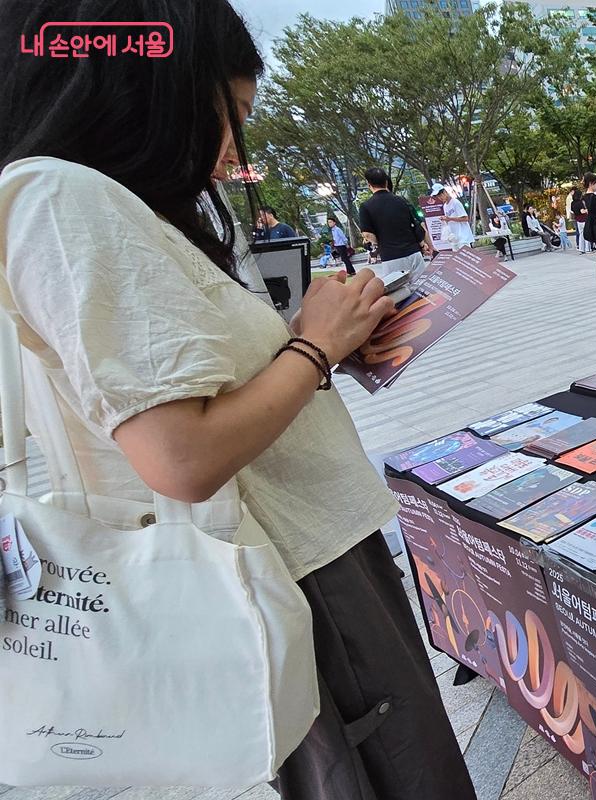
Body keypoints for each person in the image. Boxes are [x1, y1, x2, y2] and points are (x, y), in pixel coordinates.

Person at [0, 3, 476, 799]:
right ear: (161, 87)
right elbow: (180, 456)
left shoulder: (101, 200)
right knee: (399, 772)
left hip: (304, 556)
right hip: (293, 573)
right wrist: (312, 345)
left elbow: (184, 391)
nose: (228, 154)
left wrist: (312, 342)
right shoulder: (59, 197)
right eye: (234, 118)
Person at [358, 166, 433, 277]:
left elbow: (367, 234)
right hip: (413, 253)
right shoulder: (401, 201)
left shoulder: (366, 206)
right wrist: (423, 245)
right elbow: (415, 226)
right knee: (421, 289)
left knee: (400, 291)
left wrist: (379, 242)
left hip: (391, 257)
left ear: (369, 185)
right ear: (386, 182)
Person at [432, 182, 474, 251]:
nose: (440, 198)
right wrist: (446, 219)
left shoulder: (455, 202)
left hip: (463, 238)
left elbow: (465, 218)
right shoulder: (445, 206)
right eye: (438, 196)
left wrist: (449, 218)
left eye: (440, 195)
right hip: (454, 239)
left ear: (445, 192)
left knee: (466, 259)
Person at [570, 185, 591, 253]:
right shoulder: (580, 202)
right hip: (584, 219)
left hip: (578, 220)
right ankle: (588, 248)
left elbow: (572, 211)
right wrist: (588, 210)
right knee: (587, 233)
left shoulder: (572, 203)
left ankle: (581, 248)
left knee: (581, 234)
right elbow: (582, 211)